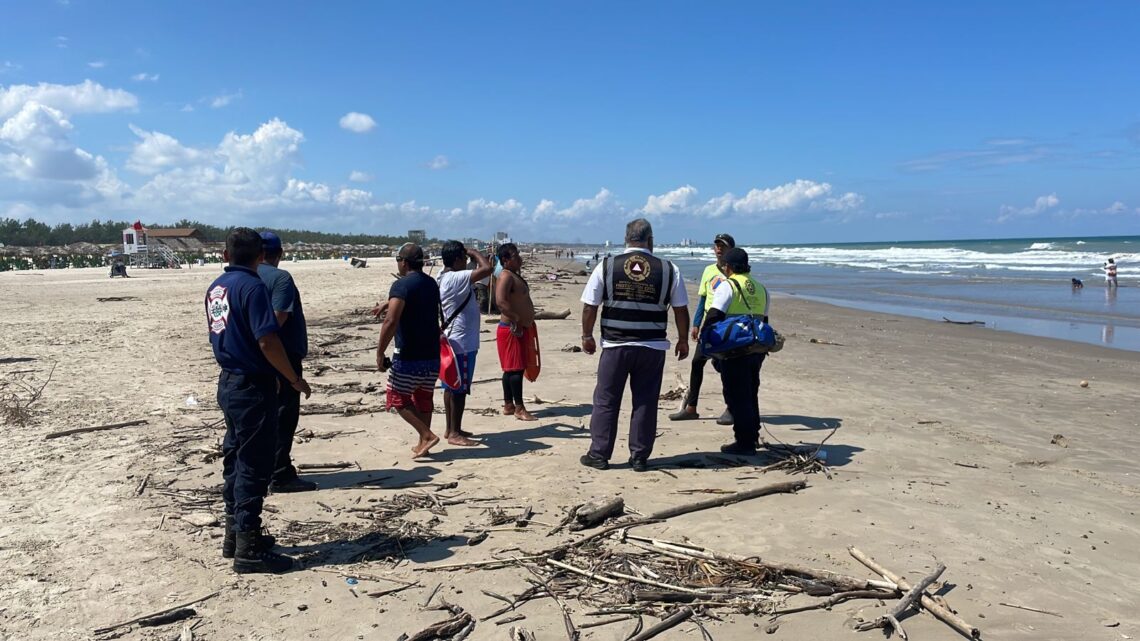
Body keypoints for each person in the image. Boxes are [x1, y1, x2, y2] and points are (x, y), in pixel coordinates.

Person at [206, 228, 311, 574]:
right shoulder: (251, 287)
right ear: (259, 256)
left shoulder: (217, 288)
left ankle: (234, 534)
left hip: (230, 380)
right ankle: (248, 546)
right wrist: (292, 378)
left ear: (225, 255)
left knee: (234, 455)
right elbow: (267, 340)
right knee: (253, 461)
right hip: (252, 384)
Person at [580, 218, 690, 472]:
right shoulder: (669, 269)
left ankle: (599, 454)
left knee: (607, 400)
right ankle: (639, 456)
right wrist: (683, 339)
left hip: (616, 345)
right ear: (650, 240)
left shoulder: (607, 266)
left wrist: (587, 336)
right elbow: (681, 309)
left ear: (626, 238)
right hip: (652, 347)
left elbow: (590, 305)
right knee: (645, 401)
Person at [256, 231, 316, 493]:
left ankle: (262, 469)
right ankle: (279, 473)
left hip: (254, 357)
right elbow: (276, 321)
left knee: (262, 416)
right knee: (283, 416)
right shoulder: (280, 278)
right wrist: (292, 376)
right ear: (279, 253)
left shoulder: (245, 277)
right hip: (280, 355)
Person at [376, 243, 443, 458]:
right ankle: (423, 444)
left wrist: (380, 353)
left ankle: (426, 435)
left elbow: (391, 321)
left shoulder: (401, 285)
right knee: (424, 396)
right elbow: (411, 300)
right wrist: (387, 304)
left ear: (403, 262)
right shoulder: (431, 283)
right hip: (432, 352)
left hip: (409, 354)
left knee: (397, 396)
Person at [702, 247, 770, 456]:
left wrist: (706, 339)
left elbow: (714, 314)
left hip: (734, 348)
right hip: (757, 347)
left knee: (736, 395)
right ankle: (752, 434)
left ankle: (744, 442)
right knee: (751, 392)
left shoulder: (728, 286)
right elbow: (764, 319)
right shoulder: (761, 288)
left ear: (729, 267)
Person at [669, 233, 735, 424]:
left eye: (723, 245)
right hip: (709, 326)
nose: (719, 249)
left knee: (725, 367)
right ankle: (691, 408)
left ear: (731, 249)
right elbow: (703, 299)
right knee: (698, 362)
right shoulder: (708, 271)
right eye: (717, 245)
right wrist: (696, 324)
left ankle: (731, 407)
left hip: (728, 328)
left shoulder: (735, 272)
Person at [437, 240, 493, 445]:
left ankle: (452, 428)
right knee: (459, 389)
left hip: (455, 339)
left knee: (451, 386)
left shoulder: (443, 276)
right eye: (464, 257)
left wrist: (466, 254)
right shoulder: (455, 278)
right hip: (462, 341)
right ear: (458, 259)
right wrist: (474, 252)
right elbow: (487, 269)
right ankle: (454, 433)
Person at [495, 243, 538, 420]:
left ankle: (508, 404)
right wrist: (516, 319)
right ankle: (519, 408)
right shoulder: (505, 276)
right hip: (512, 329)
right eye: (515, 255)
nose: (519, 258)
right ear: (505, 260)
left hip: (519, 328)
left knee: (511, 369)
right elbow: (501, 302)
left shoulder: (513, 275)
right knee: (516, 369)